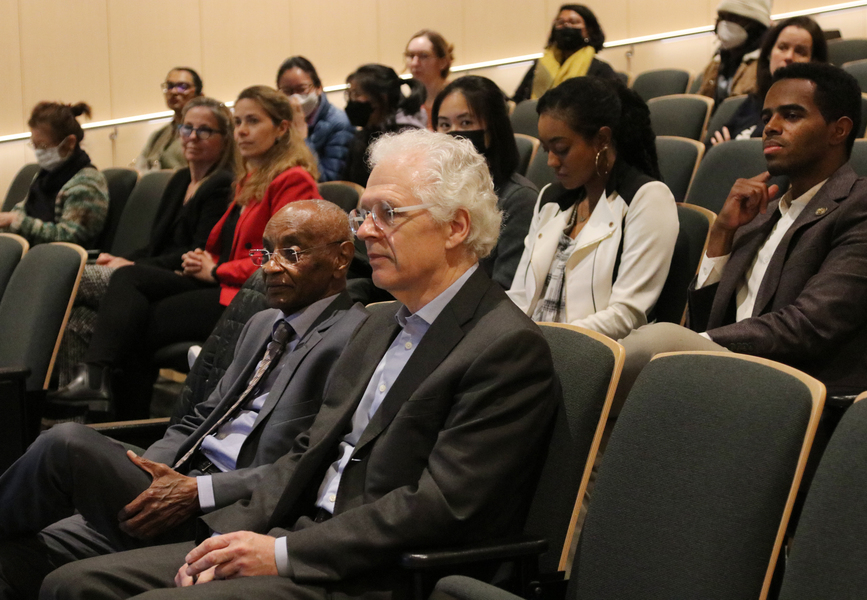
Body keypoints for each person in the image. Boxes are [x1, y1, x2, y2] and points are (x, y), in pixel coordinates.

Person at [42, 129, 560, 600]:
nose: (366, 233)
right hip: (293, 535)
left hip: (372, 574)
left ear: (456, 227)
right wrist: (228, 539)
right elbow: (306, 453)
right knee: (73, 584)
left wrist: (279, 555)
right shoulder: (381, 322)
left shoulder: (504, 346)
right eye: (363, 214)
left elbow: (439, 508)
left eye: (388, 214)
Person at [0, 201, 367, 600]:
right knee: (12, 557)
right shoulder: (263, 322)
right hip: (178, 480)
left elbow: (306, 466)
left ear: (340, 257)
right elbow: (202, 417)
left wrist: (197, 490)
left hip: (225, 510)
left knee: (65, 443)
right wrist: (154, 470)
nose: (270, 267)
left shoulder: (355, 335)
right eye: (266, 252)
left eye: (291, 253)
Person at [51, 85, 322, 419]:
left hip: (251, 297)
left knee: (132, 313)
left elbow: (281, 255)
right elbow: (221, 243)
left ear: (282, 128)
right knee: (126, 294)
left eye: (253, 121)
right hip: (221, 285)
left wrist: (217, 269)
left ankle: (115, 415)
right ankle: (104, 413)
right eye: (238, 121)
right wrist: (204, 262)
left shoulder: (293, 180)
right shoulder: (250, 179)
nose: (242, 131)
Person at [620, 62, 867, 401]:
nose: (771, 128)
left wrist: (701, 345)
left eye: (791, 115)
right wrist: (722, 232)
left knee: (653, 342)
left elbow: (811, 325)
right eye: (766, 118)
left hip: (798, 390)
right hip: (731, 378)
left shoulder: (858, 204)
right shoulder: (761, 214)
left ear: (838, 131)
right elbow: (703, 320)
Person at [56, 96, 238, 387]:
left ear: (225, 139)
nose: (192, 137)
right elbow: (155, 245)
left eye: (204, 130)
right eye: (186, 127)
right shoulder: (179, 180)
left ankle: (92, 378)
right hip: (153, 273)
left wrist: (130, 264)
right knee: (79, 318)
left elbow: (196, 251)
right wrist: (118, 258)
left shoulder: (222, 185)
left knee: (73, 280)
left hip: (189, 279)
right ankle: (85, 412)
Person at [507, 77, 678, 340]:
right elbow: (521, 296)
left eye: (561, 149)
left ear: (601, 139)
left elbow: (627, 315)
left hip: (591, 357)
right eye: (546, 149)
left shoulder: (647, 198)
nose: (551, 161)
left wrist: (543, 342)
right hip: (534, 347)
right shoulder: (550, 199)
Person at [433, 75, 537, 288]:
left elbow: (505, 288)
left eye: (465, 122)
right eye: (444, 124)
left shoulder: (519, 199)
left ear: (492, 129)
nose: (453, 133)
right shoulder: (432, 193)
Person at [0, 101, 108, 248]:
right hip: (34, 256)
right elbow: (23, 210)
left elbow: (70, 238)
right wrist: (8, 220)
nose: (38, 152)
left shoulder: (87, 182)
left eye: (43, 146)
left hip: (65, 265)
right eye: (34, 145)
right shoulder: (45, 175)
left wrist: (17, 222)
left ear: (69, 143)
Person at [710, 16, 827, 145]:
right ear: (769, 54)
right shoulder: (755, 101)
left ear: (815, 62)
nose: (788, 57)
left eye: (800, 51)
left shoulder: (816, 111)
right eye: (782, 47)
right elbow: (714, 145)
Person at [513, 4, 616, 103]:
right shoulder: (540, 65)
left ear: (588, 30)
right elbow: (517, 99)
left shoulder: (600, 69)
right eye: (561, 23)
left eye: (573, 22)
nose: (566, 26)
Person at [342, 63, 425, 186]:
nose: (351, 101)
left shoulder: (407, 135)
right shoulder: (361, 136)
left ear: (382, 98)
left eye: (356, 94)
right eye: (349, 94)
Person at [276, 56, 355, 182]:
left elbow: (329, 182)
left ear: (318, 88)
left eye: (301, 89)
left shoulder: (339, 123)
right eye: (287, 91)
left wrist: (302, 139)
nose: (295, 97)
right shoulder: (279, 122)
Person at [696, 0, 772, 106]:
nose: (725, 25)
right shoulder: (717, 60)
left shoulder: (766, 64)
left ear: (754, 24)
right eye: (722, 17)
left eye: (733, 18)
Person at [135, 67, 203, 172]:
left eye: (183, 87)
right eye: (170, 86)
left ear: (200, 96)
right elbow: (139, 169)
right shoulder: (158, 135)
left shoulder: (203, 134)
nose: (174, 91)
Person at [405, 29, 454, 130]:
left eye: (423, 56)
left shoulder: (458, 98)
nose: (414, 63)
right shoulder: (408, 104)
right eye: (411, 56)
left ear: (443, 62)